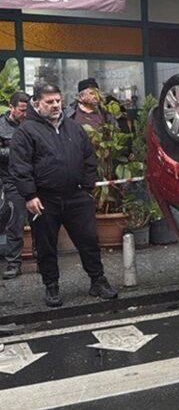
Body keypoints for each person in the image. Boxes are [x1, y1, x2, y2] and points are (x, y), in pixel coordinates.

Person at [10, 83, 118, 307]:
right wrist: (30, 196)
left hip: (76, 196)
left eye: (58, 100)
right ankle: (52, 286)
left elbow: (89, 157)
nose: (55, 105)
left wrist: (87, 188)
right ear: (37, 103)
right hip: (44, 199)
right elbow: (20, 167)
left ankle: (98, 281)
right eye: (49, 102)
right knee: (46, 245)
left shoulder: (73, 127)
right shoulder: (26, 131)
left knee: (88, 241)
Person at [0, 92, 29, 279]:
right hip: (12, 181)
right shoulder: (1, 126)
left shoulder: (32, 124)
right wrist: (17, 151)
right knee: (15, 223)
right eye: (21, 110)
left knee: (41, 222)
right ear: (11, 107)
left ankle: (42, 259)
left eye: (27, 110)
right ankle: (13, 263)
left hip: (35, 180)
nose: (25, 114)